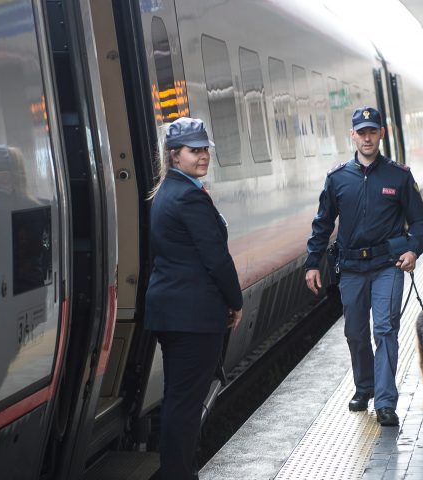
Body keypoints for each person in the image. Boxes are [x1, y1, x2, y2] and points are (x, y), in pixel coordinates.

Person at [304, 106, 423, 427]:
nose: (367, 138)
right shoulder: (337, 179)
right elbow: (322, 223)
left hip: (387, 265)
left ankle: (386, 401)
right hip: (350, 269)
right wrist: (313, 263)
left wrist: (413, 249)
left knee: (385, 329)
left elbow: (419, 219)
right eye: (361, 132)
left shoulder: (399, 176)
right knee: (355, 333)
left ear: (381, 134)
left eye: (372, 131)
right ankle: (365, 387)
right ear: (353, 136)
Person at [144, 117, 243, 480]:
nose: (203, 157)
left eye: (205, 150)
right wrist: (235, 301)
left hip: (174, 313)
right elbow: (215, 257)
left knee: (178, 399)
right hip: (193, 316)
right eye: (194, 150)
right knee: (185, 404)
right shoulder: (187, 196)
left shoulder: (167, 192)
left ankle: (178, 470)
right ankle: (178, 474)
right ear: (174, 155)